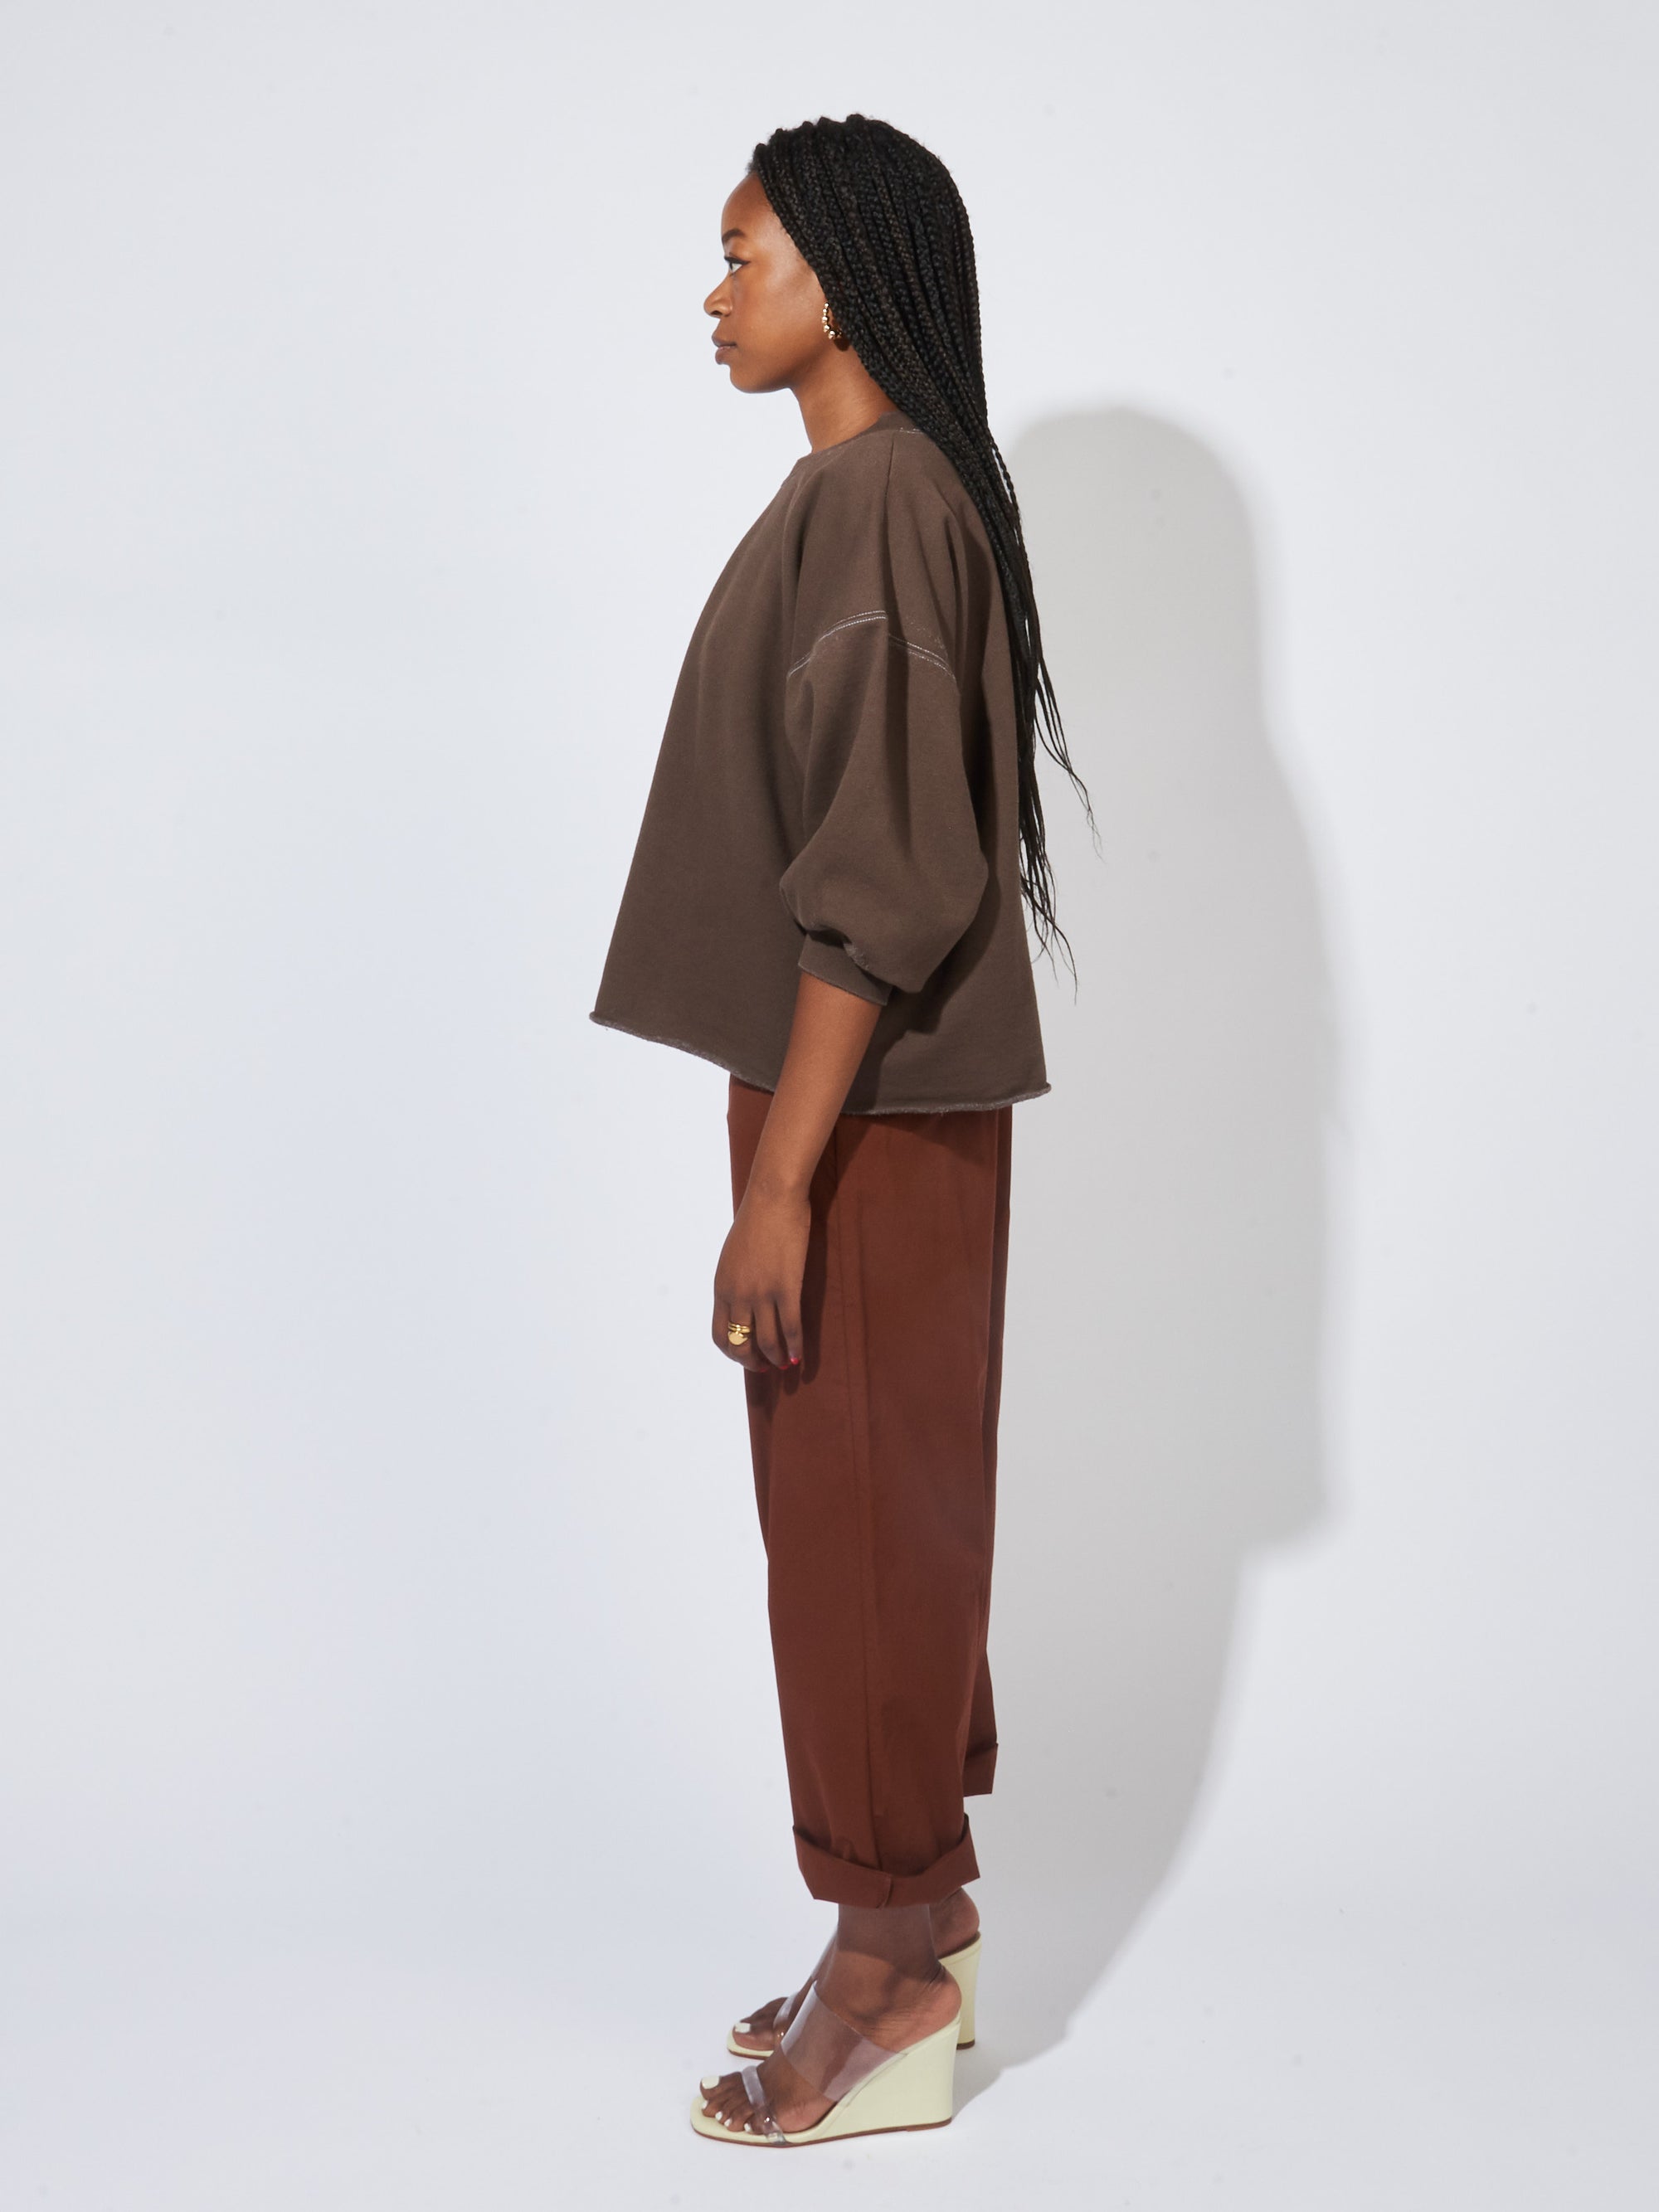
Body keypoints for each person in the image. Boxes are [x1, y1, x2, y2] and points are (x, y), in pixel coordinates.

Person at [588, 113, 1092, 2147]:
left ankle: (885, 1969)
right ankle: (917, 1910)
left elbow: (881, 878)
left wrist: (781, 1184)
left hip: (859, 1105)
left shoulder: (880, 498)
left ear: (843, 273)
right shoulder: (875, 493)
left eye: (743, 254)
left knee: (860, 1526)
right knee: (880, 1509)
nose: (714, 294)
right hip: (867, 1093)